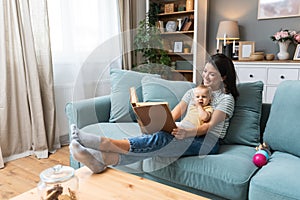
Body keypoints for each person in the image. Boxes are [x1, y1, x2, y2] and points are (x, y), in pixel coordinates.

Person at [69, 53, 239, 173]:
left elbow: (208, 126)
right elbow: (176, 112)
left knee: (161, 140)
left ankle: (105, 143)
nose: (206, 77)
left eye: (212, 74)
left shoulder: (226, 99)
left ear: (223, 77)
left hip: (208, 142)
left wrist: (187, 132)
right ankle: (103, 161)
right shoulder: (195, 91)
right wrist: (161, 124)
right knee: (158, 138)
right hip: (186, 132)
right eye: (205, 72)